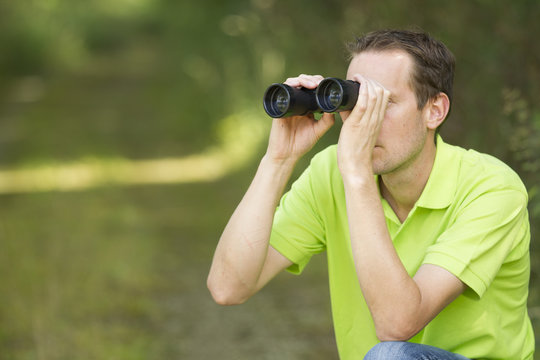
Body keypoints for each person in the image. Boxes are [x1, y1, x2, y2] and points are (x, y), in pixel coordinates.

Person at [207, 29, 535, 360]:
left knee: (389, 354)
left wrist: (357, 174)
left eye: (383, 103)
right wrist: (278, 160)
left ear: (434, 110)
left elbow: (397, 326)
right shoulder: (332, 174)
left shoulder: (491, 188)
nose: (366, 120)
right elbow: (228, 287)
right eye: (358, 101)